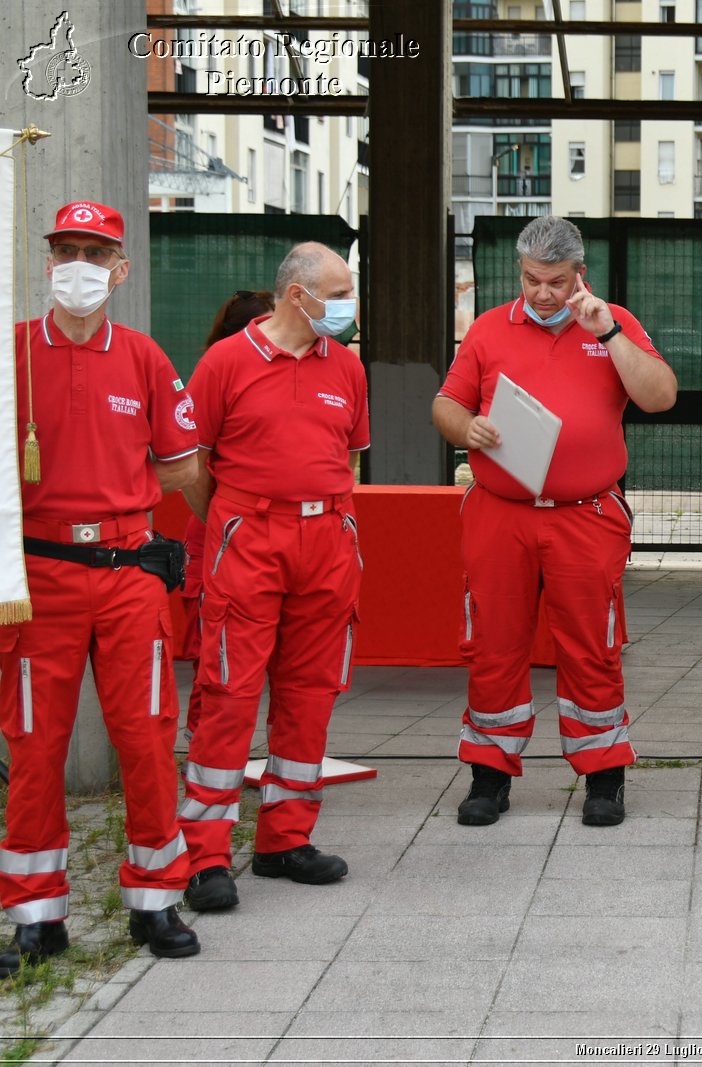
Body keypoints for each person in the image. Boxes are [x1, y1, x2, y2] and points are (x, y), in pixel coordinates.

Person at [1, 200, 202, 970]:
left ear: (120, 269)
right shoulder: (10, 352)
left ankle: (155, 902)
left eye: (94, 251)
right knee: (34, 745)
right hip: (38, 579)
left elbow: (183, 466)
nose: (77, 265)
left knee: (146, 741)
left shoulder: (145, 359)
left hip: (127, 575)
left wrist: (203, 546)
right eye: (64, 250)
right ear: (46, 261)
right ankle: (36, 913)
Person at [433, 215, 676, 828]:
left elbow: (660, 396)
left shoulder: (611, 323)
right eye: (532, 280)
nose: (542, 294)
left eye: (556, 282)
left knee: (592, 645)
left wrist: (611, 332)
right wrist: (467, 428)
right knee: (495, 645)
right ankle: (489, 778)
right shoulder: (489, 329)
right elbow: (446, 403)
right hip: (501, 513)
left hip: (585, 514)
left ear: (580, 276)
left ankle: (603, 778)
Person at [178, 244, 368, 911]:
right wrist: (237, 520)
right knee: (228, 693)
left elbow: (345, 454)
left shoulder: (346, 367)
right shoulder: (226, 362)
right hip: (249, 537)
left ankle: (284, 838)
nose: (349, 305)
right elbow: (191, 464)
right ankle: (204, 855)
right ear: (297, 295)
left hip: (327, 538)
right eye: (339, 292)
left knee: (311, 691)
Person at [176, 290, 275, 738]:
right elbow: (191, 466)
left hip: (271, 540)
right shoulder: (221, 368)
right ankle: (206, 757)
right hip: (220, 540)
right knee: (216, 665)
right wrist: (226, 519)